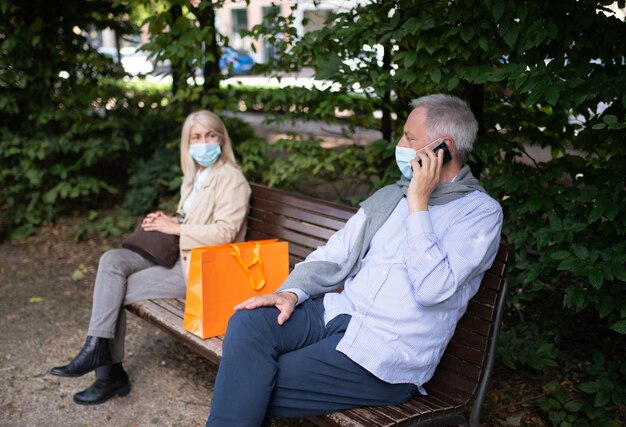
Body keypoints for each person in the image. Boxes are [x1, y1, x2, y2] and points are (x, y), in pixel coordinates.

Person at [206, 94, 503, 426]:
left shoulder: (479, 213)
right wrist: (291, 292)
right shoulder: (391, 196)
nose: (400, 143)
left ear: (443, 147)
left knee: (257, 381)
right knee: (249, 324)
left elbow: (432, 289)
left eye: (410, 137)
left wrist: (419, 204)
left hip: (385, 353)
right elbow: (336, 252)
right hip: (339, 314)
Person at [50, 110, 251, 405]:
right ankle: (97, 351)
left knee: (113, 291)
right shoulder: (195, 176)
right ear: (188, 143)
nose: (204, 142)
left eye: (211, 135)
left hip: (201, 269)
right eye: (196, 137)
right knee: (111, 261)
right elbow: (189, 217)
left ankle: (107, 374)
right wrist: (167, 219)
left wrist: (176, 227)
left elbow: (225, 232)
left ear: (222, 139)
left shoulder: (231, 179)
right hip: (177, 253)